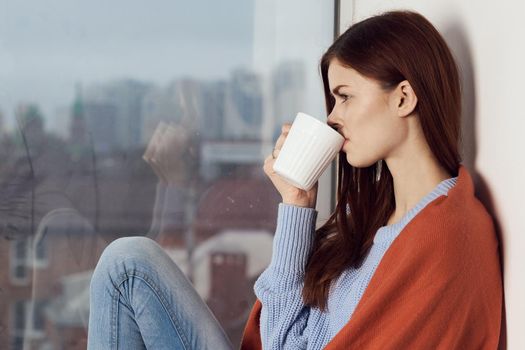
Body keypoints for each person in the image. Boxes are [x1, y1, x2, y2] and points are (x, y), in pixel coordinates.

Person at [87, 9, 503, 350]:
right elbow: (278, 337)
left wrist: (295, 215)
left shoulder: (445, 235)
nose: (333, 116)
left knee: (127, 266)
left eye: (345, 96)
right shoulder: (374, 224)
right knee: (128, 263)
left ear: (403, 98)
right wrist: (297, 201)